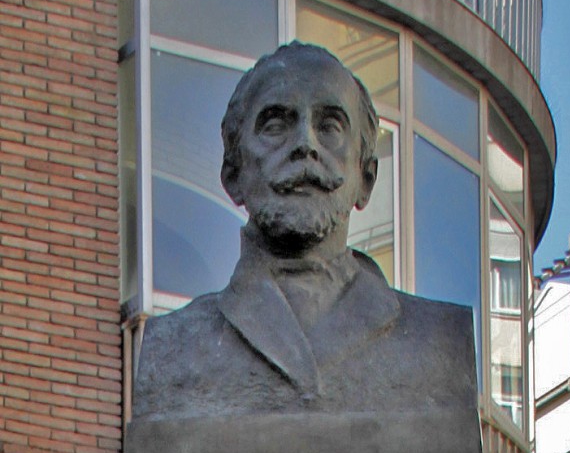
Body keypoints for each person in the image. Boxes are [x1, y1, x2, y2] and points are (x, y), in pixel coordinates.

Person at [134, 42, 477, 422]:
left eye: (329, 126)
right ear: (233, 175)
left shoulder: (439, 343)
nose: (304, 145)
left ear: (365, 178)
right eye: (276, 125)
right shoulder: (173, 348)